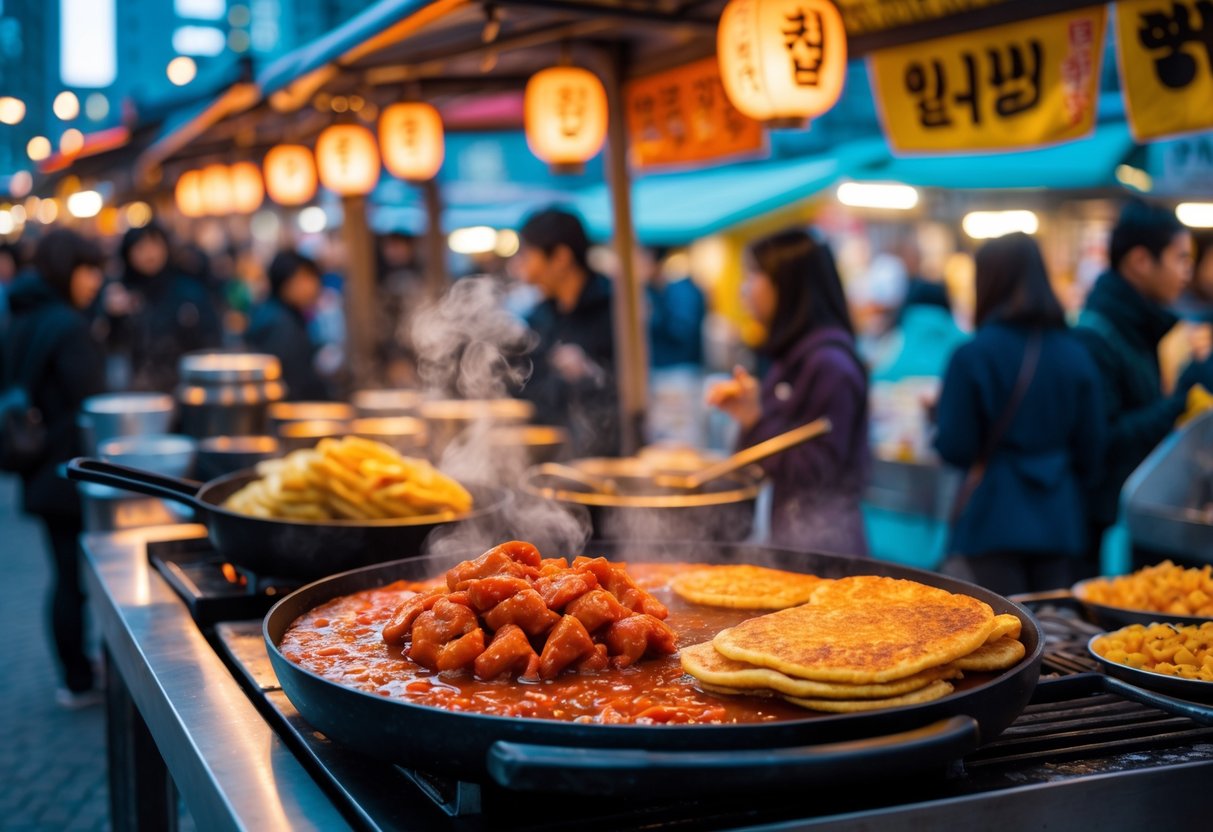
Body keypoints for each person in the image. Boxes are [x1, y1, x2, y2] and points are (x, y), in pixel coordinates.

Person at [934, 233, 1105, 595]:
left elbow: (955, 448)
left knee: (1000, 639)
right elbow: (1093, 452)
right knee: (1056, 639)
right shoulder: (1076, 355)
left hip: (992, 520)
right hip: (1062, 521)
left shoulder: (973, 355)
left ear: (987, 281)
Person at [707, 228, 870, 556]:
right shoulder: (793, 356)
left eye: (755, 274)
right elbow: (758, 461)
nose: (745, 289)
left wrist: (755, 420)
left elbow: (817, 474)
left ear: (789, 284)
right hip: (792, 541)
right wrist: (748, 418)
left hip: (828, 553)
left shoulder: (829, 364)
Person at [1075, 200, 1213, 574]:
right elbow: (1105, 440)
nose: (1187, 272)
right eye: (1180, 259)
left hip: (1138, 517)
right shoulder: (1097, 336)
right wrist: (1181, 401)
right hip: (1107, 533)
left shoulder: (1143, 327)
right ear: (1140, 261)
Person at [1, 228, 106, 707]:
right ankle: (81, 675)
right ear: (69, 271)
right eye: (89, 269)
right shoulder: (67, 324)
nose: (97, 280)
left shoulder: (21, 314)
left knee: (61, 572)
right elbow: (92, 402)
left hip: (35, 463)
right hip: (70, 468)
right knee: (77, 577)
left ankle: (74, 673)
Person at [515, 208, 620, 458]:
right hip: (551, 454)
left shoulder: (618, 311)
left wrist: (590, 372)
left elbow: (634, 393)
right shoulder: (539, 316)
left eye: (528, 255)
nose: (522, 268)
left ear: (561, 257)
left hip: (606, 456)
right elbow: (528, 386)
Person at [106, 223, 222, 392]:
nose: (149, 253)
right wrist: (113, 316)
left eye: (154, 244)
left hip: (187, 388)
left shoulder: (188, 291)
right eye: (140, 247)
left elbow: (210, 340)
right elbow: (113, 349)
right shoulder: (121, 295)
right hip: (137, 393)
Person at [245, 251, 330, 401]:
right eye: (304, 279)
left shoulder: (278, 313)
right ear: (285, 282)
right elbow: (291, 383)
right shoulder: (280, 324)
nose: (314, 286)